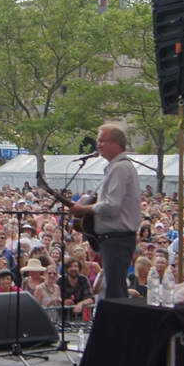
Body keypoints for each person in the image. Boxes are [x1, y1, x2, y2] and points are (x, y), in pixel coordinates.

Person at [69, 123, 140, 303]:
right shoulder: (116, 168)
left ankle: (117, 329)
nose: (98, 145)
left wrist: (83, 209)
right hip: (112, 239)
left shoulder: (120, 168)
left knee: (115, 292)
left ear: (116, 142)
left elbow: (111, 206)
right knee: (112, 288)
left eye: (102, 141)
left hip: (117, 238)